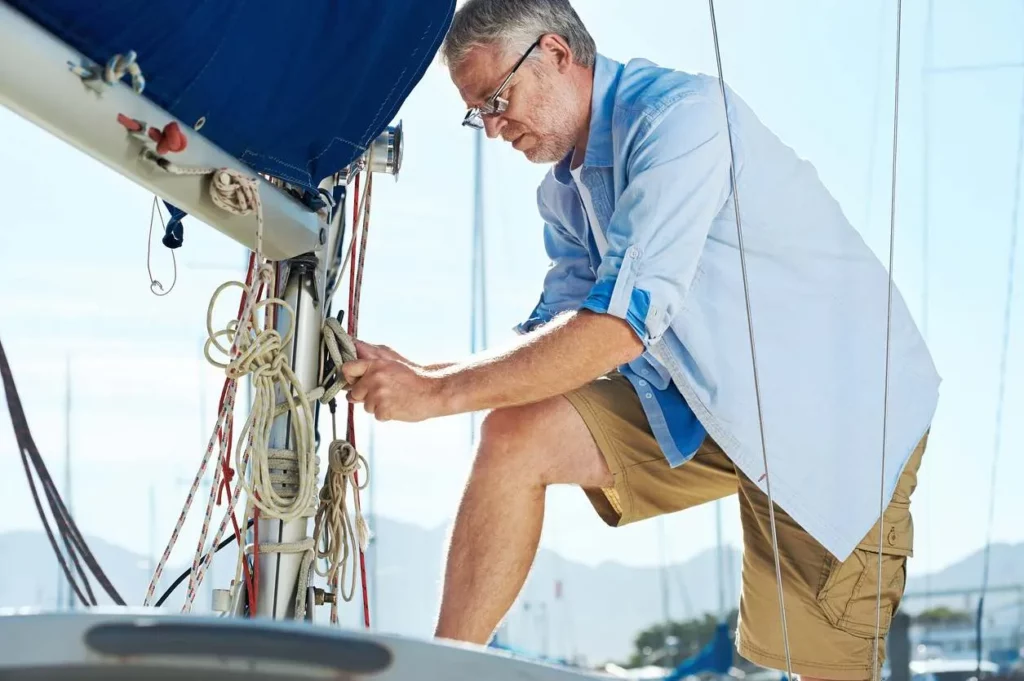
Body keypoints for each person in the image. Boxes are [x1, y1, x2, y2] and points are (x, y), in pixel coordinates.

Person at [340, 0, 940, 678]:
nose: (491, 127)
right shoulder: (564, 196)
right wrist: (421, 369)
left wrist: (436, 392)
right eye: (478, 112)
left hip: (837, 413)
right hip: (704, 401)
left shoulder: (681, 120)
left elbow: (617, 330)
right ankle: (439, 671)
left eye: (497, 100)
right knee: (516, 434)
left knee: (819, 666)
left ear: (557, 55)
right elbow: (551, 342)